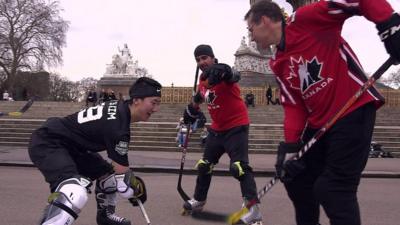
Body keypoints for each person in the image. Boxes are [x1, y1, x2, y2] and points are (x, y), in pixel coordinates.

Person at [245, 1, 399, 225]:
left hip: (352, 111)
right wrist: (290, 149)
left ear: (265, 20)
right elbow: (294, 107)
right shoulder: (278, 61)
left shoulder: (307, 18)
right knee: (296, 179)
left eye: (250, 29)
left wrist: (390, 24)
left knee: (333, 190)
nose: (250, 37)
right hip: (320, 124)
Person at [28, 77, 162, 225]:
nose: (156, 109)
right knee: (75, 192)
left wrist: (131, 183)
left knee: (108, 177)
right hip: (49, 142)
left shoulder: (119, 109)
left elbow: (120, 176)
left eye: (158, 104)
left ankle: (105, 217)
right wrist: (135, 188)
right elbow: (125, 187)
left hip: (73, 146)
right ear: (137, 100)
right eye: (153, 103)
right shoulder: (119, 127)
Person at [182, 44, 262, 225]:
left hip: (236, 127)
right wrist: (190, 112)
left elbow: (234, 75)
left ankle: (253, 211)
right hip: (217, 130)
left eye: (204, 57)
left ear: (212, 57)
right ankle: (199, 200)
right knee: (204, 165)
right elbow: (196, 101)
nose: (201, 62)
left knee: (239, 168)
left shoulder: (223, 75)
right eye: (198, 59)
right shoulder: (202, 83)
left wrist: (224, 70)